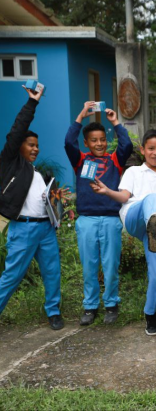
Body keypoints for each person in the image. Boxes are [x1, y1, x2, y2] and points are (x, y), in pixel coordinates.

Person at [91, 129, 156, 336]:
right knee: (151, 199)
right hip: (134, 217)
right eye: (151, 148)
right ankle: (155, 221)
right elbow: (124, 196)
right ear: (143, 150)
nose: (155, 153)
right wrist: (107, 191)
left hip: (153, 234)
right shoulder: (133, 172)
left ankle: (150, 314)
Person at [0, 86, 64, 330]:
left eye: (37, 145)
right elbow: (16, 132)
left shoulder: (40, 173)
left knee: (52, 273)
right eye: (30, 145)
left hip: (46, 229)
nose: (35, 148)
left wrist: (56, 201)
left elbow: (47, 201)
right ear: (19, 147)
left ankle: (54, 311)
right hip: (23, 229)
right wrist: (32, 103)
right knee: (12, 277)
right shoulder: (10, 164)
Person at [64, 102, 133, 325]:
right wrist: (81, 115)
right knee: (89, 265)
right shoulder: (81, 160)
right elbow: (68, 142)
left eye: (102, 139)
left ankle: (111, 303)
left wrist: (115, 122)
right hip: (86, 221)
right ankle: (90, 306)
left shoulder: (114, 160)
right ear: (86, 143)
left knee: (111, 265)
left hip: (111, 220)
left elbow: (128, 144)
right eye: (94, 141)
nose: (99, 144)